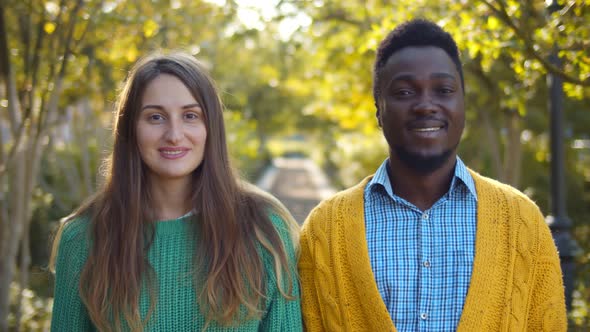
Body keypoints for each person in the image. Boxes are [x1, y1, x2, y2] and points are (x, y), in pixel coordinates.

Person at [298, 19, 566, 331]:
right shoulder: (325, 230)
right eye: (404, 91)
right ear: (378, 110)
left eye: (443, 90)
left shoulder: (522, 222)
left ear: (462, 103)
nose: (426, 105)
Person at [49, 52, 302, 331]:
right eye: (155, 117)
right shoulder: (85, 237)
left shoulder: (264, 231)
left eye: (190, 116)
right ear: (130, 129)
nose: (174, 134)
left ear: (211, 128)